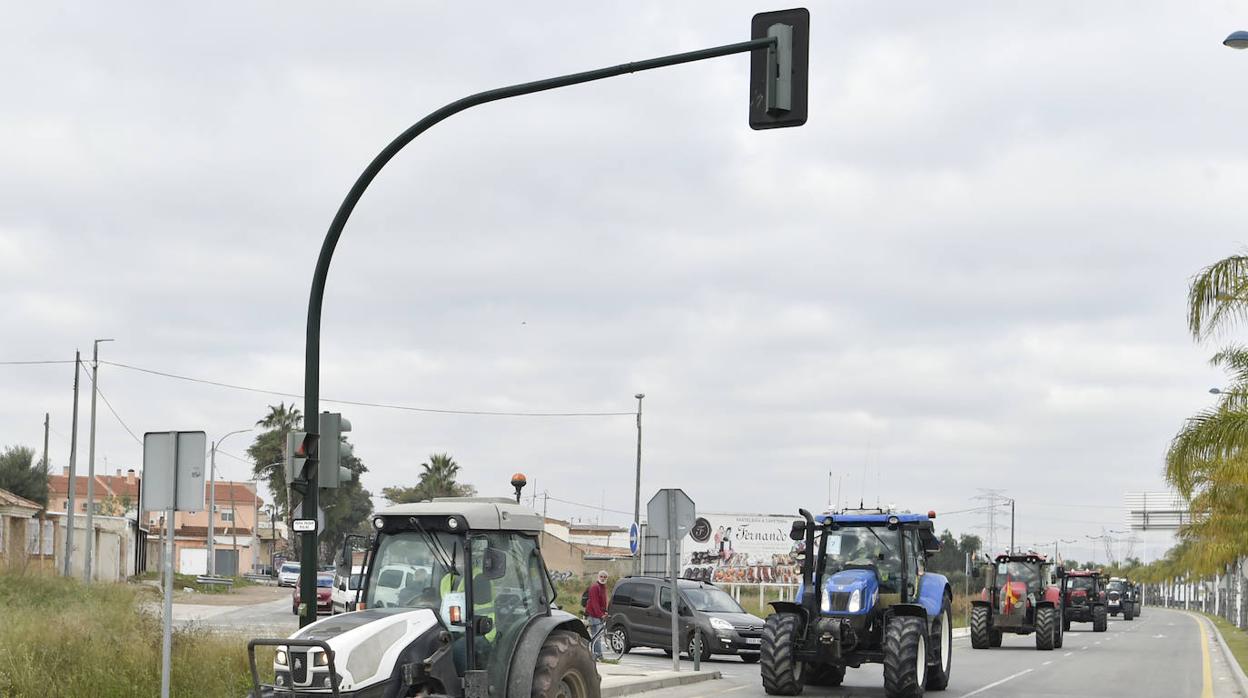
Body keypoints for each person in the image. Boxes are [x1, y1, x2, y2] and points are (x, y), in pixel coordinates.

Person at [586, 570, 610, 661]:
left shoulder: (603, 587)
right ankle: (598, 655)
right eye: (601, 576)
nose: (603, 578)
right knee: (597, 636)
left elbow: (602, 603)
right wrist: (601, 615)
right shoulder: (595, 587)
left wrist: (605, 612)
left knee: (596, 636)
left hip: (598, 614)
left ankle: (595, 655)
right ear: (598, 577)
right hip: (593, 615)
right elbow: (594, 603)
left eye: (605, 577)